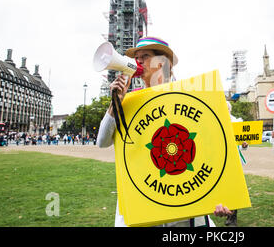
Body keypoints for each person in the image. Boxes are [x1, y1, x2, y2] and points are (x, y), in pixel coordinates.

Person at [97, 36, 232, 227]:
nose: (138, 62)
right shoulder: (128, 100)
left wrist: (219, 196)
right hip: (143, 203)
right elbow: (102, 141)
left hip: (184, 207)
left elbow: (212, 150)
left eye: (145, 56)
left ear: (163, 63)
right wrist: (115, 102)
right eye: (137, 57)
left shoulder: (191, 99)